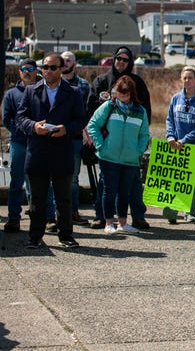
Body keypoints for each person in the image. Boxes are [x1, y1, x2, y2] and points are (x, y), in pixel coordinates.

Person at [16, 53, 86, 249]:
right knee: (36, 200)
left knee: (63, 198)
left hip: (62, 152)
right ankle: (35, 237)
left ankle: (66, 235)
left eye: (52, 67)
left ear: (62, 69)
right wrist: (33, 126)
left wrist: (66, 129)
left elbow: (80, 120)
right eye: (44, 67)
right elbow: (20, 117)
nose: (47, 71)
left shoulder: (73, 92)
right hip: (37, 152)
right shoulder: (31, 91)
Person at [87, 46, 152, 230]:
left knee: (131, 187)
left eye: (125, 59)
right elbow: (91, 112)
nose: (121, 62)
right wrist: (99, 144)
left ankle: (137, 216)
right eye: (118, 58)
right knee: (105, 186)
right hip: (108, 147)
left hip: (130, 151)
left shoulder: (138, 83)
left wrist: (139, 149)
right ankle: (102, 217)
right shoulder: (101, 81)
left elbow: (145, 115)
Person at [163, 66, 195, 224]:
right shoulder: (176, 98)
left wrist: (184, 140)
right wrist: (170, 136)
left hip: (194, 145)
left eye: (190, 77)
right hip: (175, 143)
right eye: (185, 77)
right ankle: (173, 208)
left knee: (191, 178)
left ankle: (190, 211)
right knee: (176, 176)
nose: (187, 80)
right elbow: (169, 119)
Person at [2, 58, 39, 233]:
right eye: (24, 69)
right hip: (18, 143)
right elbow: (6, 118)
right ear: (19, 72)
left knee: (37, 184)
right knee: (16, 183)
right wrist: (21, 130)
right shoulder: (11, 94)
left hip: (38, 144)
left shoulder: (42, 91)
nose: (27, 71)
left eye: (31, 68)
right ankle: (14, 218)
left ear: (36, 71)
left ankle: (40, 218)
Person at [61, 51, 91, 226]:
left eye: (69, 60)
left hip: (75, 138)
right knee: (53, 176)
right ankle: (54, 214)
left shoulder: (83, 86)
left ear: (75, 63)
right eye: (63, 60)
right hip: (54, 138)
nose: (65, 62)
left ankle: (73, 212)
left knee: (73, 177)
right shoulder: (53, 83)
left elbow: (86, 114)